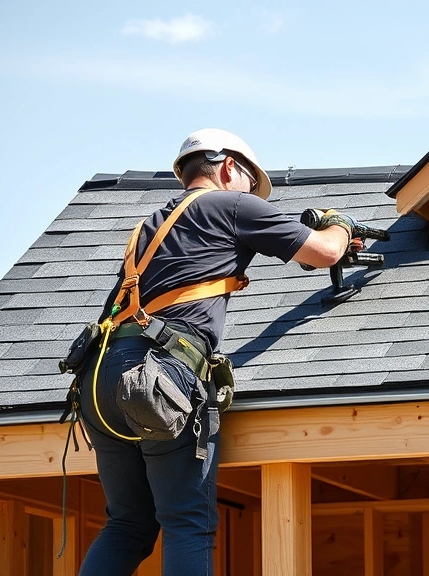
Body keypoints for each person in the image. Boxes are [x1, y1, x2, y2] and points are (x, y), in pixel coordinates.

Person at [77, 129, 353, 575]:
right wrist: (339, 225)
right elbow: (323, 252)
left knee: (129, 523)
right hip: (158, 376)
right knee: (188, 521)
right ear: (228, 168)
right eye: (250, 182)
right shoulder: (233, 204)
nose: (252, 194)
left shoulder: (151, 223)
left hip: (98, 378)